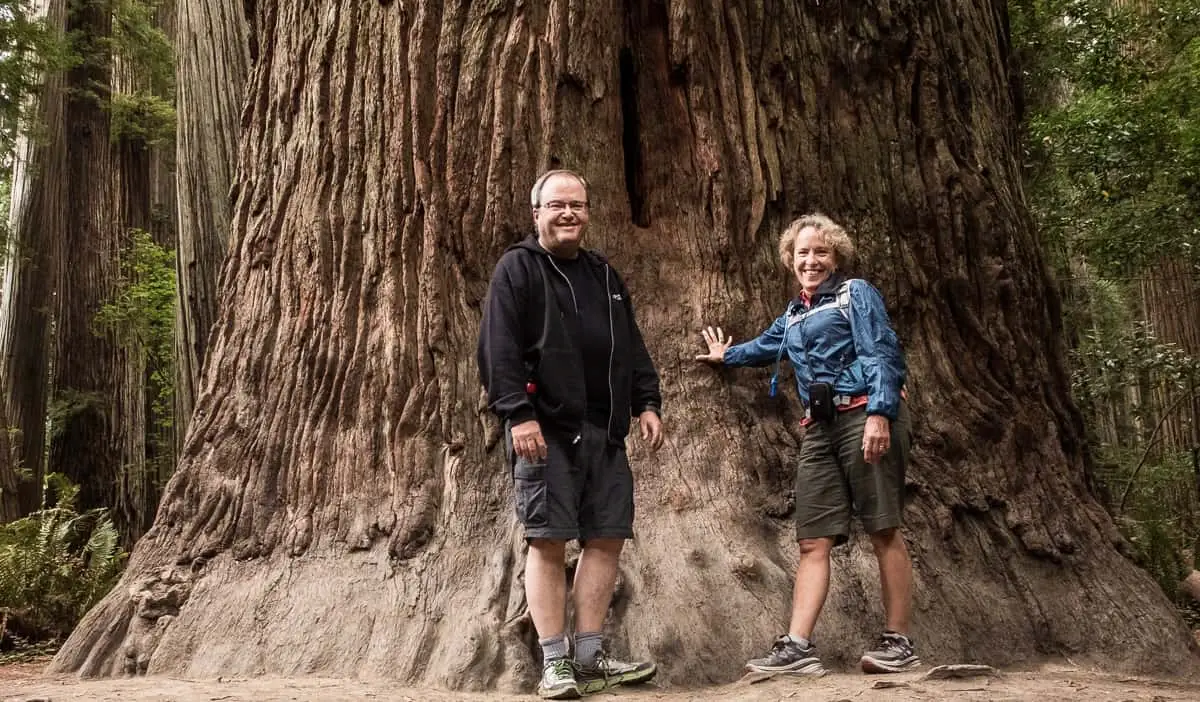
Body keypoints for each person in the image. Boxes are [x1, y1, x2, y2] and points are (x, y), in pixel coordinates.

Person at [695, 214, 919, 675]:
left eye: (820, 252)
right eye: (802, 253)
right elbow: (766, 346)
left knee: (882, 527)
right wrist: (727, 356)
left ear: (835, 256)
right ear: (790, 260)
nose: (811, 261)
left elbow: (880, 350)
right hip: (821, 427)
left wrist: (880, 411)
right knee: (812, 538)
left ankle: (899, 641)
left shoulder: (854, 294)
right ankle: (798, 647)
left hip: (864, 413)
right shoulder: (796, 312)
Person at [478, 169, 664, 699]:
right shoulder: (518, 268)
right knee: (548, 540)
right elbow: (498, 348)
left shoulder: (603, 273)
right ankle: (555, 663)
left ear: (587, 211)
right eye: (557, 205)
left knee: (606, 538)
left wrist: (646, 402)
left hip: (605, 431)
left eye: (577, 205)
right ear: (536, 212)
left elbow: (630, 345)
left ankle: (590, 656)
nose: (568, 214)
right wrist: (518, 413)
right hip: (546, 431)